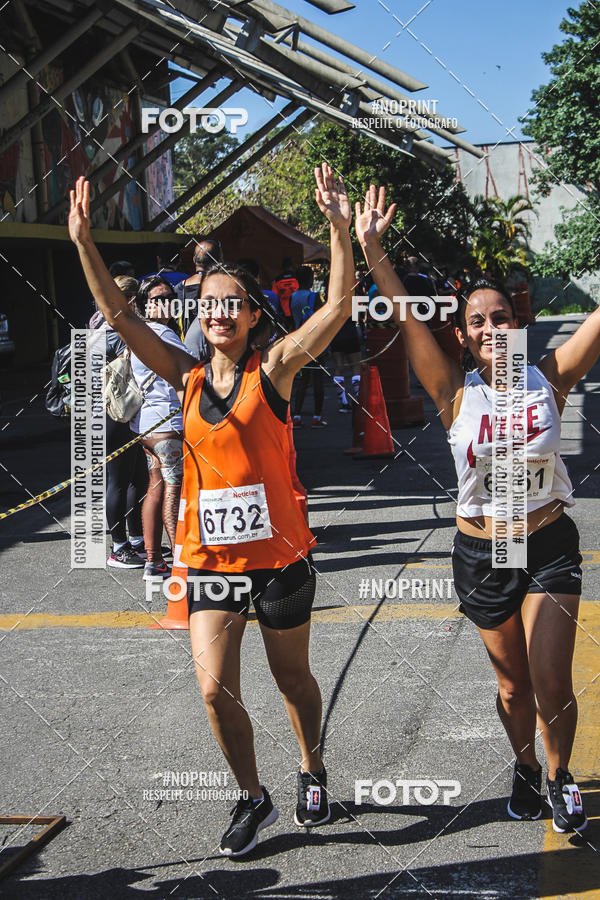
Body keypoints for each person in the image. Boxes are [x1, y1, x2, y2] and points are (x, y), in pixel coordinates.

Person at [68, 163, 354, 856]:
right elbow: (119, 315)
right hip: (209, 565)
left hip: (281, 560)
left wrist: (339, 231)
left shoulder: (276, 369)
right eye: (209, 302)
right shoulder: (183, 375)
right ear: (200, 316)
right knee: (212, 692)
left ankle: (312, 768)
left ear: (253, 316)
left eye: (233, 302)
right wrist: (82, 242)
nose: (219, 310)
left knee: (293, 680)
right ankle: (252, 797)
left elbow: (340, 306)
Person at [356, 183, 600, 835]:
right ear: (463, 337)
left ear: (517, 326)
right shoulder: (451, 393)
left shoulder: (548, 376)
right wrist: (373, 248)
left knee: (551, 678)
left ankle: (559, 776)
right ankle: (524, 767)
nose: (492, 329)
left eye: (501, 318)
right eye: (478, 322)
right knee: (514, 687)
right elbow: (407, 316)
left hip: (547, 541)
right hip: (484, 550)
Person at [131, 276, 185, 580]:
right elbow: (190, 370)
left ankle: (153, 560)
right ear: (143, 304)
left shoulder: (136, 334)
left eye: (168, 297)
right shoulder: (164, 333)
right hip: (169, 424)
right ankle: (181, 560)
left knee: (155, 487)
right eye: (157, 299)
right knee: (173, 491)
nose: (164, 303)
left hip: (146, 427)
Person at [103, 275, 149, 567]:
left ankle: (135, 539)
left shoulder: (102, 322)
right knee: (118, 480)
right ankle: (118, 546)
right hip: (113, 413)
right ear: (132, 301)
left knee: (137, 477)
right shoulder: (116, 329)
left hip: (122, 412)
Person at [290, 266, 328, 427]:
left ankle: (297, 416)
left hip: (298, 340)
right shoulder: (314, 297)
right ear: (310, 279)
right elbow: (322, 319)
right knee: (318, 379)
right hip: (315, 341)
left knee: (303, 380)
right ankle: (317, 417)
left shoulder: (293, 297)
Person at [176, 238, 223, 340]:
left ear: (194, 260)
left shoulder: (179, 288)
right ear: (219, 261)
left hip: (186, 348)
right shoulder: (223, 288)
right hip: (215, 346)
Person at [272, 258, 299, 333]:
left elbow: (275, 296)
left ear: (282, 268)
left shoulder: (277, 280)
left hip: (284, 311)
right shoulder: (297, 278)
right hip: (296, 310)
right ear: (292, 266)